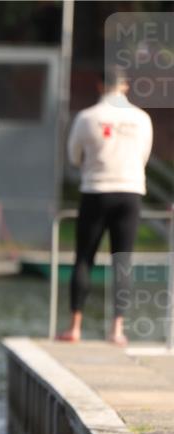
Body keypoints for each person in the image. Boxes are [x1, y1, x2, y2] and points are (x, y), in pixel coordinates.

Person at [57, 66, 153, 345]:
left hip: (96, 191)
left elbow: (74, 156)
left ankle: (75, 327)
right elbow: (143, 156)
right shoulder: (142, 119)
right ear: (126, 86)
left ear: (99, 85)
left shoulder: (87, 117)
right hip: (130, 192)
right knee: (122, 261)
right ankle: (117, 329)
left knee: (84, 259)